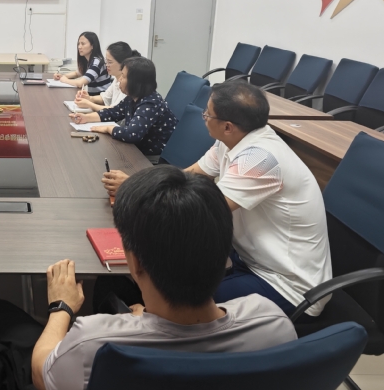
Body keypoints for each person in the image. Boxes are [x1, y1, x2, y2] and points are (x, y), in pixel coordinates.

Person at [0, 167, 297, 390]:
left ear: (134, 261)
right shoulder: (274, 324)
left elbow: (40, 373)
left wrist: (61, 307)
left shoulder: (93, 344)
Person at [102, 81, 332, 318]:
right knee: (163, 280)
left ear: (228, 126)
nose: (203, 117)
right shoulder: (231, 141)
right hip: (247, 259)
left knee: (176, 302)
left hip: (285, 284)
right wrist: (137, 184)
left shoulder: (260, 159)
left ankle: (149, 320)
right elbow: (189, 175)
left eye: (207, 113)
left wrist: (135, 193)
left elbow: (205, 213)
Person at [70, 57, 177, 156]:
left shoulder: (150, 103)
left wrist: (108, 128)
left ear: (136, 82)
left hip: (153, 156)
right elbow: (112, 113)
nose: (119, 80)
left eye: (123, 76)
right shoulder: (132, 98)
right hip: (137, 149)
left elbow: (132, 134)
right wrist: (86, 118)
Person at [73, 41, 139, 112]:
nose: (106, 65)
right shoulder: (116, 78)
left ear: (123, 63)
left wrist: (89, 104)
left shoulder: (127, 84)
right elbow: (105, 97)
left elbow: (115, 111)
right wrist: (89, 98)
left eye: (109, 62)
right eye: (106, 61)